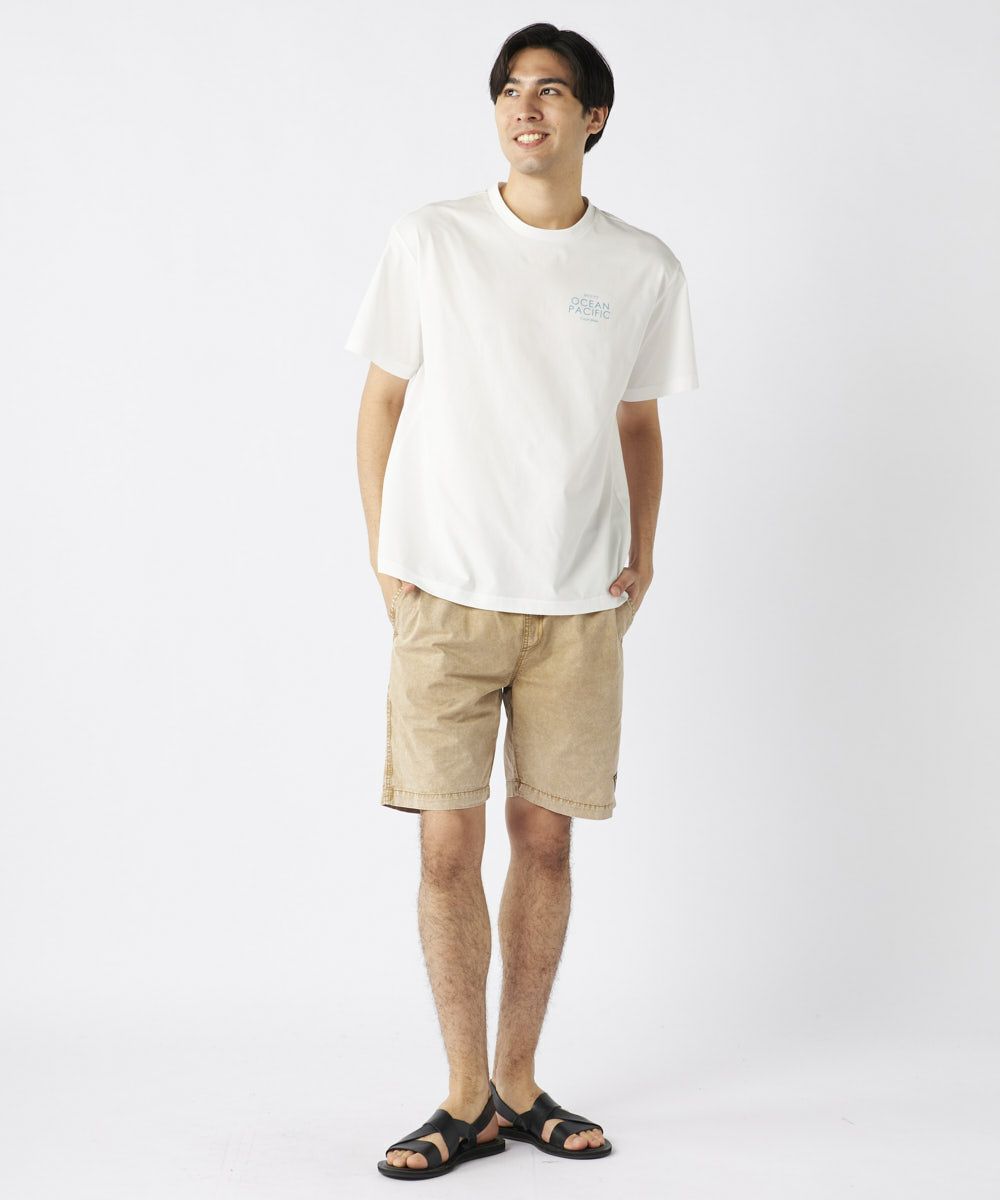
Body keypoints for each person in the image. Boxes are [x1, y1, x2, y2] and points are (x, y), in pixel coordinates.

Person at [346, 22, 699, 1180]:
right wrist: (383, 556)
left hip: (575, 604)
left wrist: (642, 550)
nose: (524, 107)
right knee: (445, 845)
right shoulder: (431, 239)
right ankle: (461, 1101)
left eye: (550, 90)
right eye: (508, 89)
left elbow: (638, 421)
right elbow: (381, 400)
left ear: (594, 118)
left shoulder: (641, 266)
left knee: (543, 841)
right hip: (442, 594)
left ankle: (518, 1084)